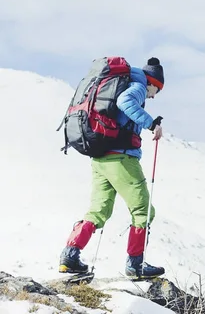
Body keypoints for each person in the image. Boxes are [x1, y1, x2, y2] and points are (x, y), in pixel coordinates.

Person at [58, 57, 166, 279]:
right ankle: (135, 264)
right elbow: (125, 102)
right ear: (152, 82)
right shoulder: (137, 85)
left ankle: (70, 255)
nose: (153, 95)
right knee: (143, 211)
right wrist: (152, 123)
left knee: (98, 211)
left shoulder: (121, 81)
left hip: (100, 158)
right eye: (156, 90)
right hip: (122, 158)